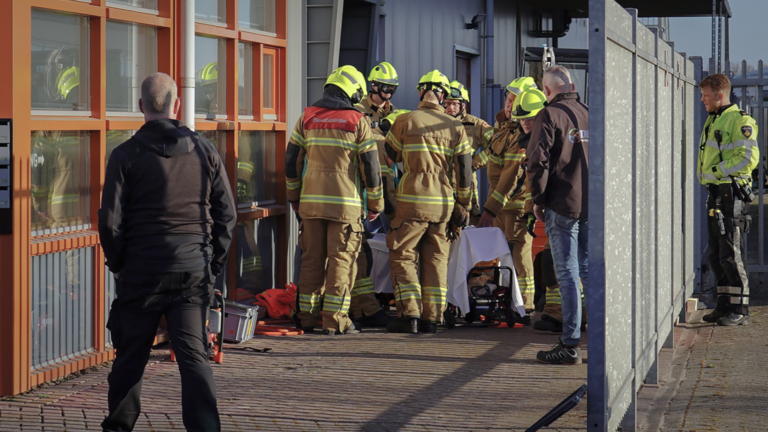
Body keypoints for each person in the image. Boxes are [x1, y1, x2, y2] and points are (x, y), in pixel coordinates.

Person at [99, 72, 236, 431]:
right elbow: (227, 215)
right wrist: (212, 263)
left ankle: (117, 428)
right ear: (177, 105)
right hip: (192, 270)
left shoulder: (124, 154)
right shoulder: (205, 150)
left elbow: (109, 220)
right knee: (194, 358)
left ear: (141, 106)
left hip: (141, 273)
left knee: (130, 358)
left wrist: (119, 265)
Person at [286, 65, 384, 335]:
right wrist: (376, 205)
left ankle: (305, 318)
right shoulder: (357, 121)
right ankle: (335, 320)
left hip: (311, 206)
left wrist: (294, 198)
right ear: (353, 91)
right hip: (345, 207)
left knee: (312, 262)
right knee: (342, 262)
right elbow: (371, 167)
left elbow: (291, 160)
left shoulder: (307, 118)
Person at [384, 69, 472, 334]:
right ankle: (433, 318)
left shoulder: (404, 120)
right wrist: (464, 205)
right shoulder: (456, 126)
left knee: (403, 254)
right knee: (436, 258)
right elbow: (465, 170)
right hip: (443, 204)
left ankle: (409, 313)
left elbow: (391, 154)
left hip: (412, 200)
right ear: (444, 96)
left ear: (421, 92)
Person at [527, 65, 589, 365]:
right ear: (572, 85)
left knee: (566, 273)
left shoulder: (549, 115)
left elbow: (537, 161)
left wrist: (538, 199)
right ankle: (601, 338)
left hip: (561, 204)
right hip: (591, 205)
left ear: (547, 91)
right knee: (589, 272)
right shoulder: (590, 112)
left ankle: (569, 342)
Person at [698, 73, 759, 326]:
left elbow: (748, 159)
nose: (703, 100)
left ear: (719, 96)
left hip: (730, 194)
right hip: (716, 194)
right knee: (717, 254)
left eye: (706, 96)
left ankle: (741, 309)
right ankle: (725, 304)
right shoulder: (714, 119)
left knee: (732, 253)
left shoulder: (739, 120)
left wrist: (715, 173)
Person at [476, 78, 539, 317]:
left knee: (521, 257)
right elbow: (490, 157)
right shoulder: (502, 129)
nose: (510, 105)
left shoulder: (522, 135)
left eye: (515, 100)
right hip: (499, 206)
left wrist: (489, 209)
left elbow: (511, 176)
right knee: (500, 258)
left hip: (515, 208)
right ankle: (505, 301)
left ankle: (527, 305)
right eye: (509, 99)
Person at [445, 80, 493, 224]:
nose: (450, 108)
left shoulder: (475, 124)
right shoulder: (436, 123)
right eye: (447, 103)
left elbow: (499, 145)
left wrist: (474, 163)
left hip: (466, 187)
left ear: (463, 105)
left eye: (454, 104)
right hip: (442, 184)